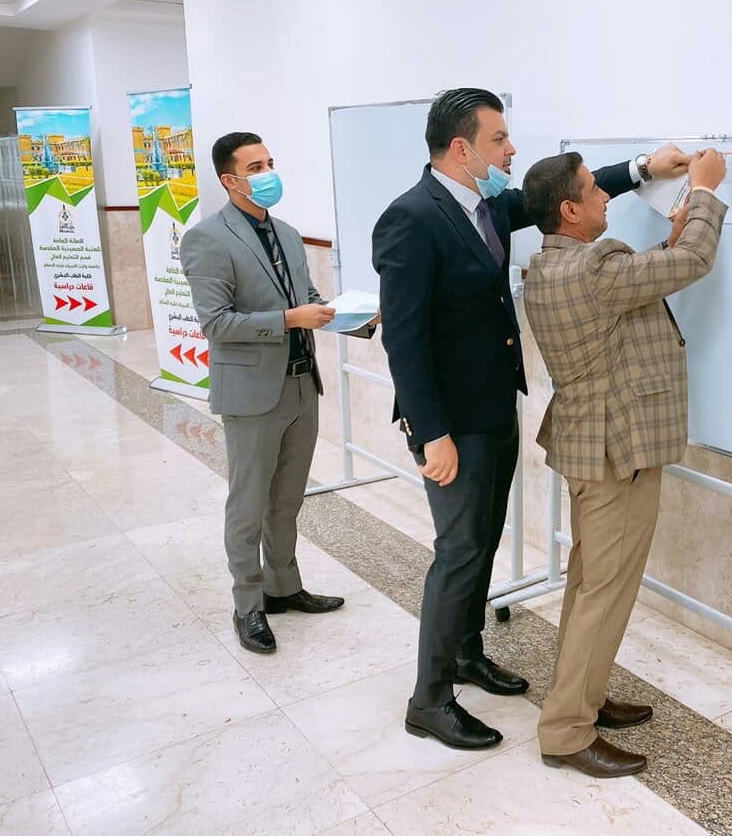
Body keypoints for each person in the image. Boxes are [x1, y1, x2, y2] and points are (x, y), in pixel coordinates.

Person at [373, 88, 692, 750]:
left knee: (484, 541)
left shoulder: (484, 207)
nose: (511, 149)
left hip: (495, 408)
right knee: (458, 551)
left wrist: (642, 168)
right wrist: (430, 433)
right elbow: (403, 338)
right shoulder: (412, 217)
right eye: (498, 139)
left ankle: (467, 653)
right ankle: (429, 699)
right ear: (460, 148)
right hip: (452, 423)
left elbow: (555, 198)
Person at [519, 147, 728, 777]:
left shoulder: (550, 266)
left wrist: (671, 236)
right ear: (569, 210)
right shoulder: (595, 268)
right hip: (618, 453)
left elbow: (637, 283)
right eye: (594, 189)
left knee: (590, 585)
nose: (605, 196)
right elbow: (693, 261)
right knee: (603, 594)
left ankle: (581, 695)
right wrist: (705, 191)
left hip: (592, 447)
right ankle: (566, 730)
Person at [182, 132, 376, 655]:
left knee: (287, 500)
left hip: (301, 385)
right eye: (256, 167)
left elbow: (308, 300)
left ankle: (283, 586)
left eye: (270, 162)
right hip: (251, 393)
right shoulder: (207, 239)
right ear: (230, 180)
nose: (268, 173)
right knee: (249, 504)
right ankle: (248, 604)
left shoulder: (287, 234)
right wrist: (290, 318)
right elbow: (217, 323)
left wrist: (354, 316)